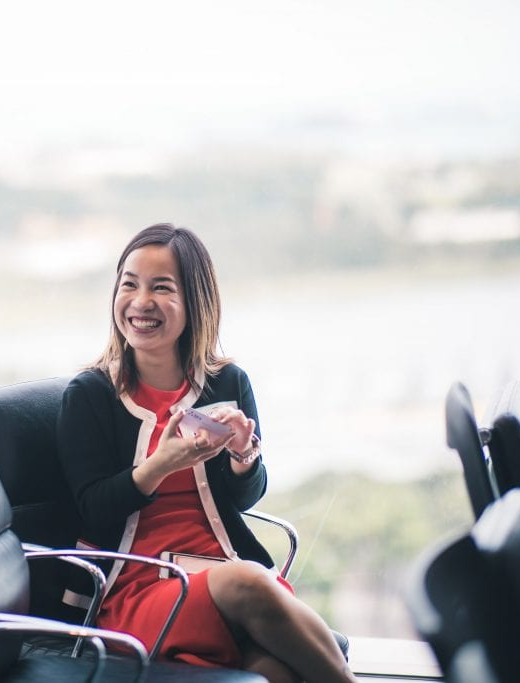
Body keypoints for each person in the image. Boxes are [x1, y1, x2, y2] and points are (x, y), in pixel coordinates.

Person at [57, 224, 355, 683]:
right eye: (129, 285)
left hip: (220, 568)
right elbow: (93, 512)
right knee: (252, 582)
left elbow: (245, 498)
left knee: (277, 673)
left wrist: (242, 458)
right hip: (134, 584)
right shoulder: (91, 395)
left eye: (161, 288)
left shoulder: (227, 383)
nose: (140, 302)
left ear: (194, 301)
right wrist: (161, 465)